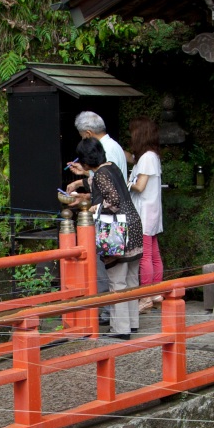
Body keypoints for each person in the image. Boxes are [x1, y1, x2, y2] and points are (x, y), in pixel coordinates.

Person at [66, 138, 142, 337]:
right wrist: (80, 180)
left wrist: (92, 208)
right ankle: (132, 323)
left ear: (85, 160)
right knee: (131, 279)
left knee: (117, 281)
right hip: (134, 224)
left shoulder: (100, 174)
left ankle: (120, 329)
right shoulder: (112, 167)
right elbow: (100, 183)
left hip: (118, 231)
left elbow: (113, 201)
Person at [128, 117, 163, 309]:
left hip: (144, 211)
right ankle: (156, 291)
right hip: (152, 210)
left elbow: (140, 186)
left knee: (145, 256)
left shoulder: (147, 157)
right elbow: (130, 158)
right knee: (154, 253)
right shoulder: (151, 155)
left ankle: (146, 296)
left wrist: (127, 184)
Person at [73, 109, 128, 182]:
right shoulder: (111, 144)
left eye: (82, 136)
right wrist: (84, 171)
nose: (82, 140)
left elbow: (108, 182)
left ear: (88, 134)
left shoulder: (106, 149)